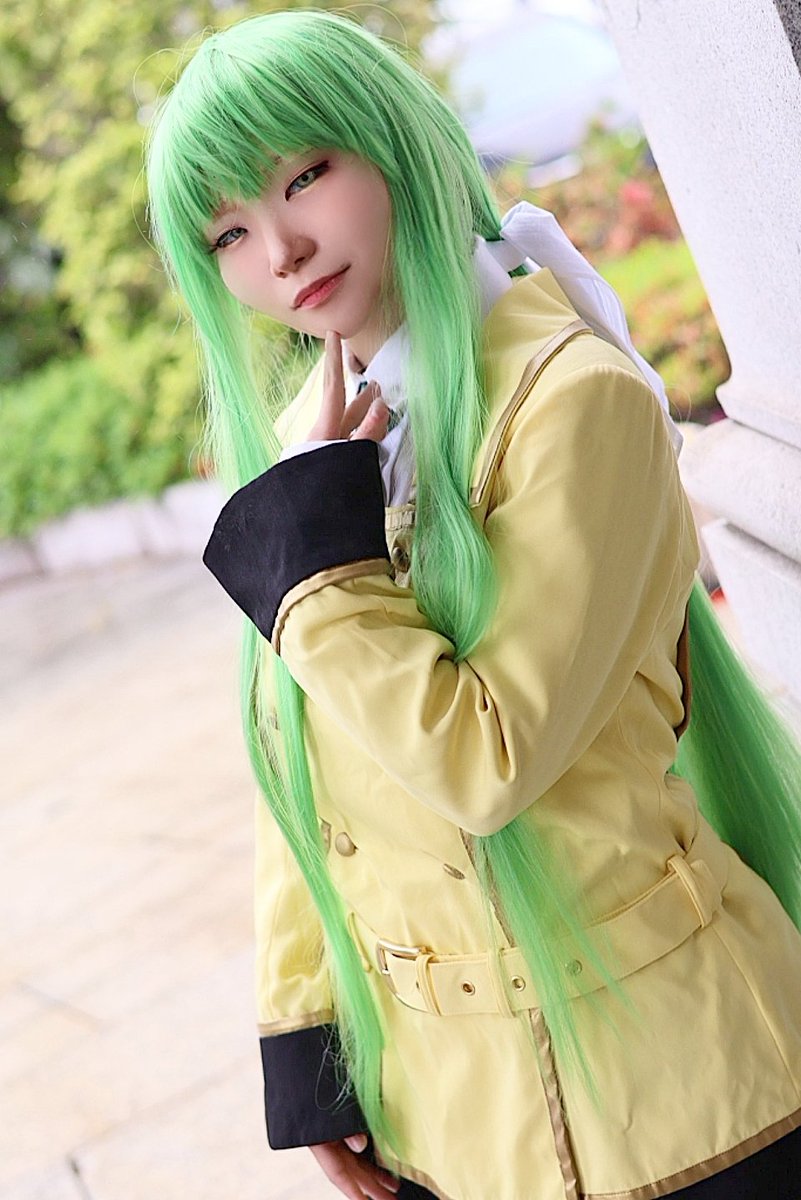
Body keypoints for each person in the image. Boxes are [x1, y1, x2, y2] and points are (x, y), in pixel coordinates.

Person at [145, 11, 801, 1199]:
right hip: (450, 1123)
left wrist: (324, 576)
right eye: (229, 231)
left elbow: (486, 760)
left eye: (305, 175)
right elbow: (299, 767)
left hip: (689, 1098)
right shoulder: (306, 443)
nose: (282, 251)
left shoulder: (570, 400)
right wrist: (317, 1048)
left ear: (391, 139)